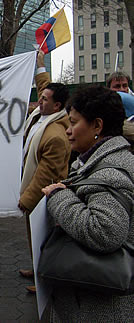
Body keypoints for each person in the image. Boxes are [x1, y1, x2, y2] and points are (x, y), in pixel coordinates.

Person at [42, 85, 134, 321]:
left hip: (100, 307)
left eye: (74, 123)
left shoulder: (110, 174)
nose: (68, 131)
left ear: (97, 126)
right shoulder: (100, 161)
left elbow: (105, 232)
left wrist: (58, 197)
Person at [18, 51, 71, 293]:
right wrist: (40, 66)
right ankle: (36, 266)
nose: (40, 100)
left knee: (45, 238)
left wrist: (27, 200)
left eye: (46, 99)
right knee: (34, 236)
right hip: (34, 191)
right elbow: (45, 87)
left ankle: (45, 282)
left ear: (58, 106)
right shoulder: (45, 112)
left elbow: (45, 173)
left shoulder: (56, 135)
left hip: (43, 196)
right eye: (41, 97)